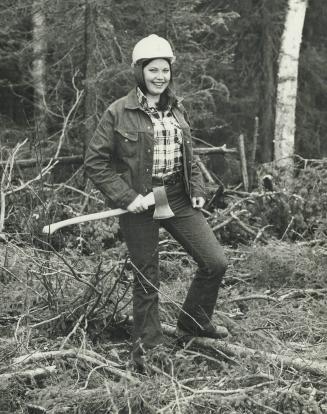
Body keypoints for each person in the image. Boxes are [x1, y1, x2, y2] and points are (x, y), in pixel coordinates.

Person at [85, 34, 228, 369]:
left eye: (165, 69)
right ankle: (148, 351)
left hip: (175, 198)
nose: (160, 76)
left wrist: (195, 187)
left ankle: (193, 322)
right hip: (140, 202)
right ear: (140, 71)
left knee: (215, 261)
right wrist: (127, 196)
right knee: (147, 278)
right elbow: (95, 162)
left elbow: (188, 156)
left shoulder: (177, 109)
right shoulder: (118, 112)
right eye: (153, 70)